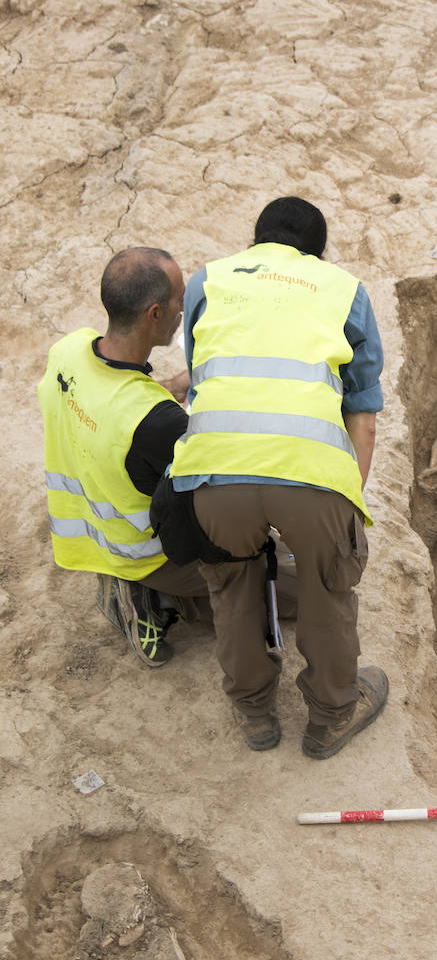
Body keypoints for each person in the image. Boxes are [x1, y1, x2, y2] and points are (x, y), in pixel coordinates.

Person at [169, 195, 387, 757]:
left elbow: (205, 376)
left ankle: (255, 714)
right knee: (327, 587)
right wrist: (343, 511)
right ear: (318, 254)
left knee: (231, 584)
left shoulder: (207, 281)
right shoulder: (344, 290)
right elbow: (361, 419)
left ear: (256, 243)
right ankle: (332, 714)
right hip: (309, 474)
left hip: (214, 473)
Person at [37, 247, 212, 667]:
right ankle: (153, 594)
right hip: (142, 552)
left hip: (87, 533)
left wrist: (176, 383)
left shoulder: (69, 350)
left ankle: (136, 583)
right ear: (155, 313)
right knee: (272, 576)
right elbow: (208, 480)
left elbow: (117, 403)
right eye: (179, 299)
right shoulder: (156, 422)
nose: (182, 310)